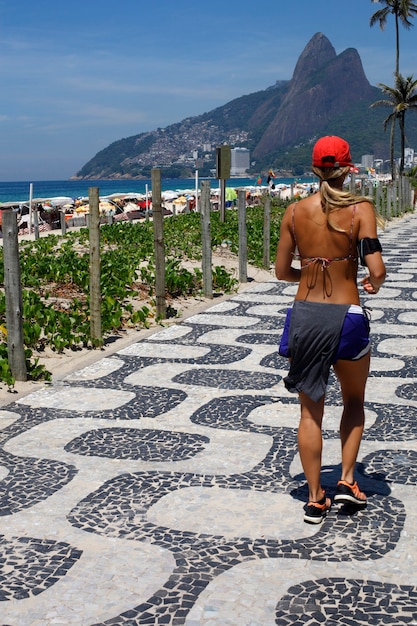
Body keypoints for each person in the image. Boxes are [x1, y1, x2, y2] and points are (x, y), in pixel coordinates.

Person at [275, 135, 386, 524]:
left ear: (315, 169)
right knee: (354, 400)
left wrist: (306, 275)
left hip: (305, 316)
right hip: (347, 316)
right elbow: (375, 267)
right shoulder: (361, 210)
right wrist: (373, 281)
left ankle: (315, 498)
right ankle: (347, 482)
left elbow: (281, 271)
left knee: (309, 413)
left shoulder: (294, 212)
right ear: (346, 169)